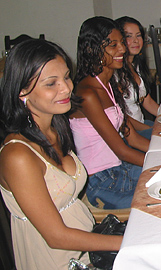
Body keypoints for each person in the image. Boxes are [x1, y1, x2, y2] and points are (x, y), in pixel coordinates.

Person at [0, 39, 122, 269]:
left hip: (89, 246)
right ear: (22, 91)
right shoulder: (18, 155)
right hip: (59, 260)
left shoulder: (55, 129)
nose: (66, 88)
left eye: (66, 77)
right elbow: (56, 237)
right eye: (51, 83)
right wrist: (126, 242)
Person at [70, 16, 149, 209]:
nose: (122, 49)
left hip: (120, 168)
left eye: (121, 42)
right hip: (102, 181)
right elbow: (121, 150)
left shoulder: (108, 84)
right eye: (113, 45)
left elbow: (133, 139)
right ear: (92, 49)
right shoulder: (88, 94)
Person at [116, 16, 159, 140]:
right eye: (129, 36)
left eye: (138, 35)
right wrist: (152, 130)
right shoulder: (116, 73)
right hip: (128, 134)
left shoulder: (135, 65)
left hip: (141, 124)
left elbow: (147, 101)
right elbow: (122, 117)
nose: (135, 41)